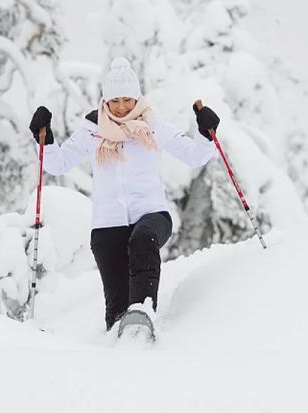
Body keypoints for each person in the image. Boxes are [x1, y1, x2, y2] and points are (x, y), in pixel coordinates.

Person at [29, 57, 219, 332]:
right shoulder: (92, 130)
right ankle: (124, 341)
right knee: (116, 308)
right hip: (108, 224)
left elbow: (194, 156)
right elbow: (57, 163)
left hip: (152, 214)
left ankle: (143, 312)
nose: (121, 107)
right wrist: (44, 138)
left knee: (143, 240)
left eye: (127, 100)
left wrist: (205, 132)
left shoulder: (152, 125)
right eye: (115, 101)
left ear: (137, 98)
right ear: (105, 101)